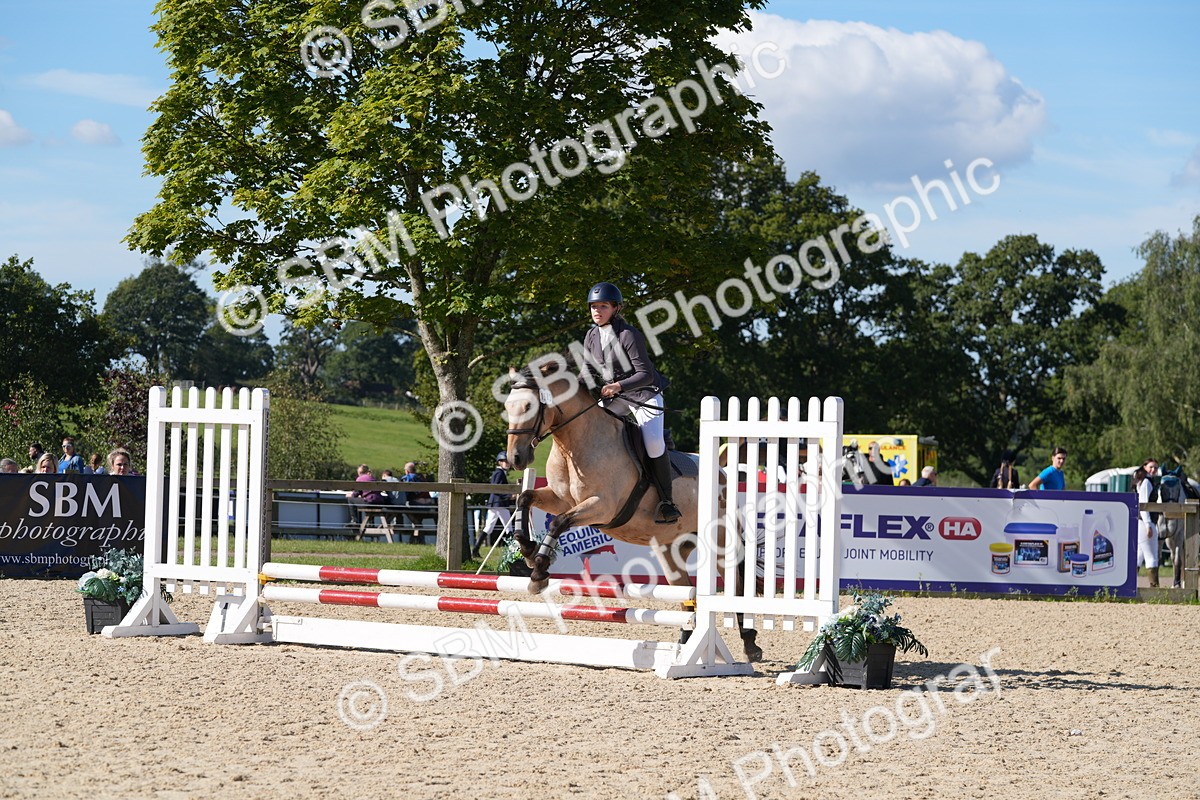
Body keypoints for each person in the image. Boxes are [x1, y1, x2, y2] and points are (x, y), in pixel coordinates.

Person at [583, 282, 679, 524]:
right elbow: (585, 372)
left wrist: (617, 386)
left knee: (654, 443)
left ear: (615, 308)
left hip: (643, 395)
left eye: (603, 306)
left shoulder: (628, 334)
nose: (597, 311)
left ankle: (667, 502)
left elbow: (645, 374)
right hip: (617, 398)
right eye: (593, 307)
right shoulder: (591, 336)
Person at [473, 451, 513, 558]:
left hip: (495, 504)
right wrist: (509, 496)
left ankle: (475, 549)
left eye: (508, 461)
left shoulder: (499, 473)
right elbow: (497, 489)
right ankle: (513, 551)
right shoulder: (499, 473)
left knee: (489, 528)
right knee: (509, 528)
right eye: (505, 461)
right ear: (499, 462)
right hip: (499, 504)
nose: (507, 463)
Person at [1134, 466, 1160, 588]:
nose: (1153, 469)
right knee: (1151, 556)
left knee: (1139, 556)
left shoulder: (1143, 482)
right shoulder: (1146, 482)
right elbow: (1144, 505)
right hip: (1145, 522)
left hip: (1141, 523)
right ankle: (1154, 588)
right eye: (1151, 467)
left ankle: (1130, 585)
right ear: (1144, 467)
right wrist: (1148, 525)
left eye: (1156, 467)